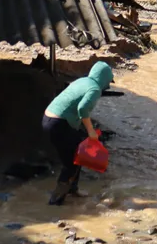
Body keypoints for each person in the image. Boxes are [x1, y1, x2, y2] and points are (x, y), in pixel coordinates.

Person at [42, 62, 114, 205]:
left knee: (78, 154)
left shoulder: (83, 81)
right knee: (70, 164)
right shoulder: (94, 89)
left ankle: (73, 190)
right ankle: (55, 202)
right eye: (108, 81)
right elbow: (82, 109)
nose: (108, 85)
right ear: (104, 78)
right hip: (58, 123)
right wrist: (91, 131)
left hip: (49, 118)